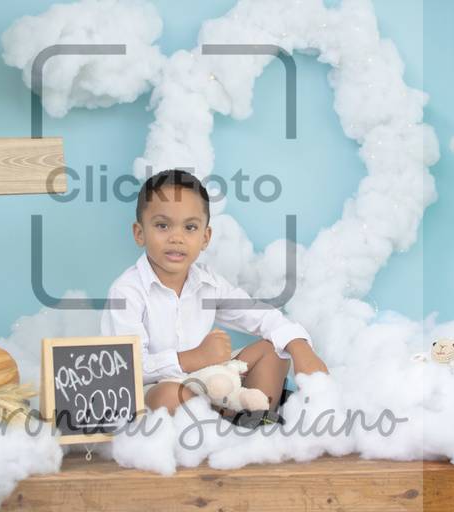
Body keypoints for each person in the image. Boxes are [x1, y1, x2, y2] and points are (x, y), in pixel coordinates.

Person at [100, 169, 328, 427]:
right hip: (158, 390)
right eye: (162, 225)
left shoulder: (209, 283)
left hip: (210, 381)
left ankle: (252, 420)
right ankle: (224, 422)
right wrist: (192, 358)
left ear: (205, 237)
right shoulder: (127, 292)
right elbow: (125, 369)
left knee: (274, 349)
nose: (176, 238)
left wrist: (300, 346)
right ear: (139, 233)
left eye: (190, 227)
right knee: (168, 396)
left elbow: (261, 316)